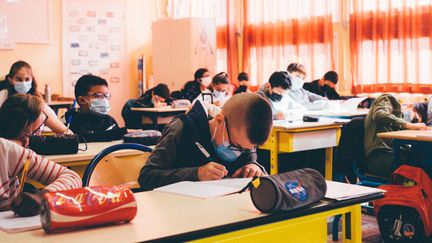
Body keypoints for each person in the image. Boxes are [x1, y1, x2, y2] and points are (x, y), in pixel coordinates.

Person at [138, 93, 273, 191]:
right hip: (182, 213)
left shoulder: (244, 140)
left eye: (248, 149)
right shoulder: (182, 128)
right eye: (236, 146)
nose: (238, 154)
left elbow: (251, 161)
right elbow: (147, 177)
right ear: (219, 121)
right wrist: (196, 174)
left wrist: (254, 167)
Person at [0, 94, 81, 215]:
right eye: (27, 135)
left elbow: (72, 177)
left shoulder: (12, 151)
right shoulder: (7, 149)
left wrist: (42, 196)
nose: (28, 142)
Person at [364, 94, 430, 178]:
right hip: (381, 159)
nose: (414, 123)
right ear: (414, 109)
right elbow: (379, 114)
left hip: (391, 156)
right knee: (426, 161)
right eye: (416, 120)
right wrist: (408, 125)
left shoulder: (399, 119)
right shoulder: (388, 98)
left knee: (425, 156)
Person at [0, 61, 68, 134]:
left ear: (32, 80)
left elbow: (62, 129)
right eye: (19, 79)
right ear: (10, 80)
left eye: (27, 79)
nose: (23, 83)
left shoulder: (37, 100)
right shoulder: (3, 95)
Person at [65, 74, 127, 142]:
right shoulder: (71, 119)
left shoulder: (110, 121)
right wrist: (123, 132)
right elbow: (83, 137)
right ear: (82, 100)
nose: (104, 100)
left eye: (106, 96)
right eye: (99, 96)